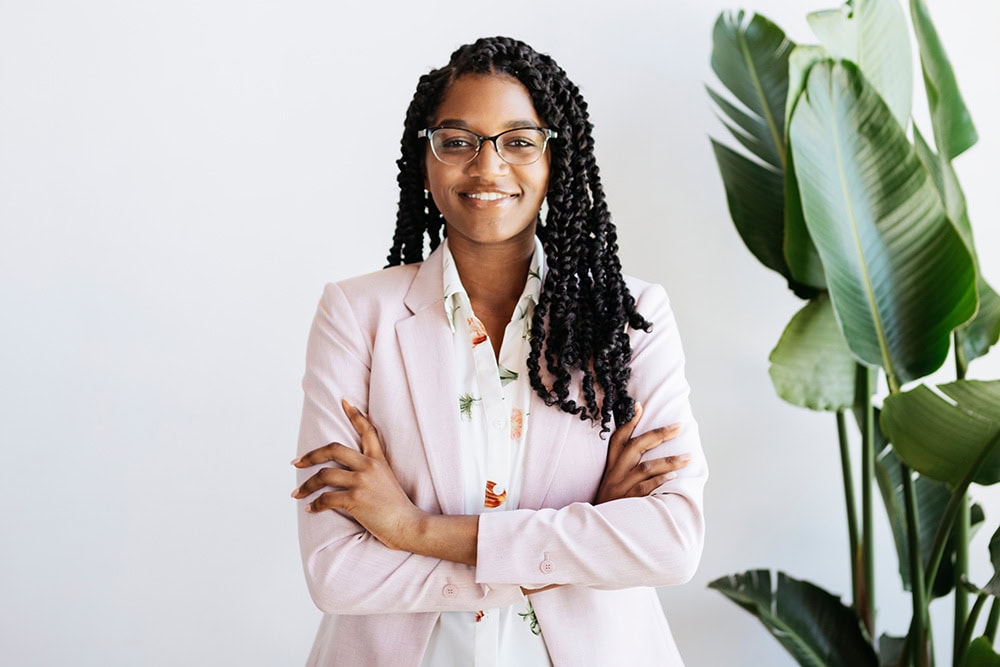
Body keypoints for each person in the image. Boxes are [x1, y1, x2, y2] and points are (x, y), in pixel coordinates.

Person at [291, 36, 707, 666]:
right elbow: (336, 573)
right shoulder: (357, 315)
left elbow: (671, 542)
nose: (487, 168)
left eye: (519, 141)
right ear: (425, 157)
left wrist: (413, 531)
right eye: (457, 141)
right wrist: (586, 541)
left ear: (553, 160)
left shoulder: (630, 318)